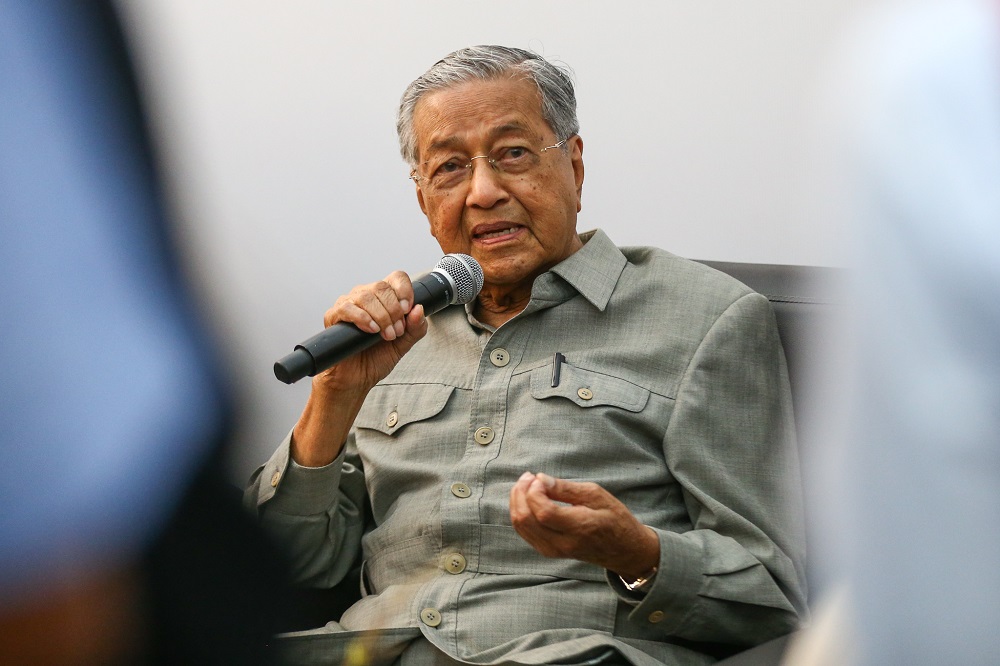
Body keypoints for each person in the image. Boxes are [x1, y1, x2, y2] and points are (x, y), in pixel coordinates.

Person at [246, 45, 807, 665]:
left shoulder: (705, 316)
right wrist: (334, 396)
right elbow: (272, 574)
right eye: (450, 168)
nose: (484, 192)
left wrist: (636, 553)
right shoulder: (393, 336)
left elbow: (769, 596)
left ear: (575, 165)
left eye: (512, 153)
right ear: (424, 201)